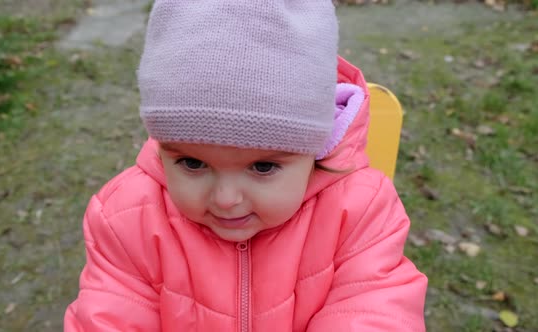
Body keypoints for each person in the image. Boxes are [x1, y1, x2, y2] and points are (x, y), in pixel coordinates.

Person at [64, 0, 427, 331]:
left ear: (314, 150)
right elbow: (109, 314)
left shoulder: (360, 210)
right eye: (192, 162)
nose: (225, 198)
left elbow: (374, 309)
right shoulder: (127, 216)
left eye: (264, 167)